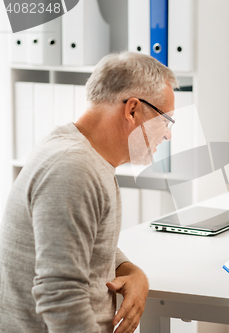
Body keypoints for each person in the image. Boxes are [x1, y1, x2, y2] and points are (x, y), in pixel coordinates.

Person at [0, 52, 177, 333]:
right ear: (132, 110)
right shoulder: (74, 168)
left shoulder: (77, 151)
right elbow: (60, 296)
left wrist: (130, 270)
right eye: (165, 120)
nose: (167, 135)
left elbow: (80, 239)